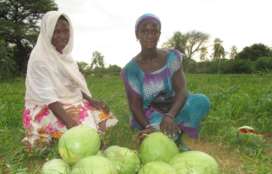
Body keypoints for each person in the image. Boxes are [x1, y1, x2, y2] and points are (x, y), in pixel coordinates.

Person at [22, 11, 118, 152]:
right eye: (57, 32)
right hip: (45, 107)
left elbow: (72, 85)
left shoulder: (65, 56)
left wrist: (91, 101)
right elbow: (50, 100)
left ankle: (71, 134)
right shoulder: (40, 59)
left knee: (101, 113)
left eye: (66, 31)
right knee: (80, 126)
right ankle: (45, 135)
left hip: (67, 101)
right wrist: (72, 124)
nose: (63, 36)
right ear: (48, 32)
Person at [121, 13, 210, 150]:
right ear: (137, 35)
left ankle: (177, 127)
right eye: (144, 31)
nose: (150, 35)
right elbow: (135, 107)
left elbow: (182, 90)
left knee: (201, 102)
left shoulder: (171, 57)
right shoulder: (131, 70)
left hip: (173, 107)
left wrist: (170, 115)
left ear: (159, 34)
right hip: (149, 114)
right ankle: (164, 131)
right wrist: (148, 126)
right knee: (162, 135)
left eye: (154, 31)